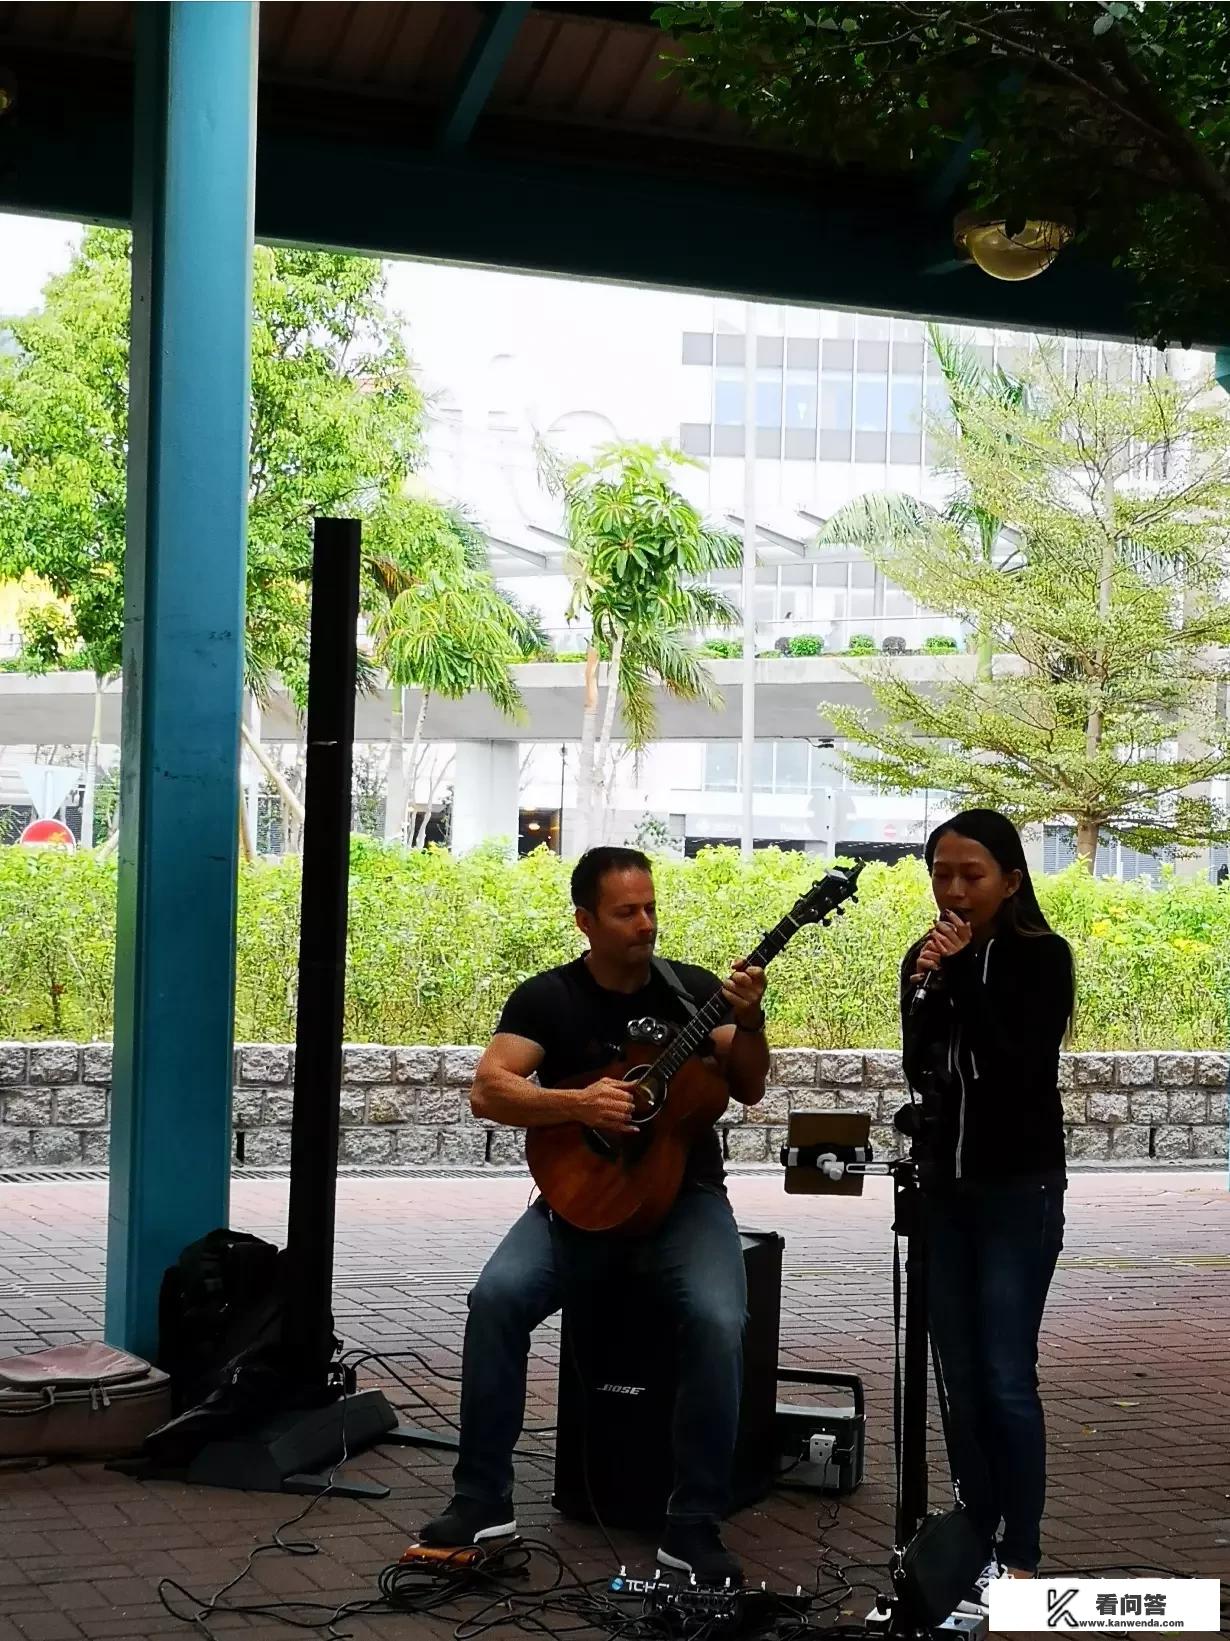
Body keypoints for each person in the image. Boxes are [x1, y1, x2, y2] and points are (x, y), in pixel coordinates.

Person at [419, 846, 770, 1583]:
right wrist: (577, 1103)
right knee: (496, 1297)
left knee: (718, 1318)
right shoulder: (549, 998)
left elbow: (748, 1085)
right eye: (626, 911)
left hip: (686, 1199)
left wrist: (753, 1019)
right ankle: (481, 1499)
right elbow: (489, 1090)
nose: (645, 923)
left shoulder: (691, 992)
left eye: (650, 907)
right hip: (579, 1200)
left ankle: (694, 1522)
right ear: (586, 920)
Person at [899, 809, 1074, 1595]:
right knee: (956, 1373)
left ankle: (1024, 1552)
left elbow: (1018, 1059)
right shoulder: (926, 956)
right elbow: (919, 1063)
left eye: (973, 874)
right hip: (945, 1191)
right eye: (942, 873)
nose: (956, 889)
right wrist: (928, 987)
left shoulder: (1044, 958)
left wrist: (963, 975)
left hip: (1017, 1191)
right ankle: (977, 1527)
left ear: (1011, 879)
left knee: (1005, 1371)